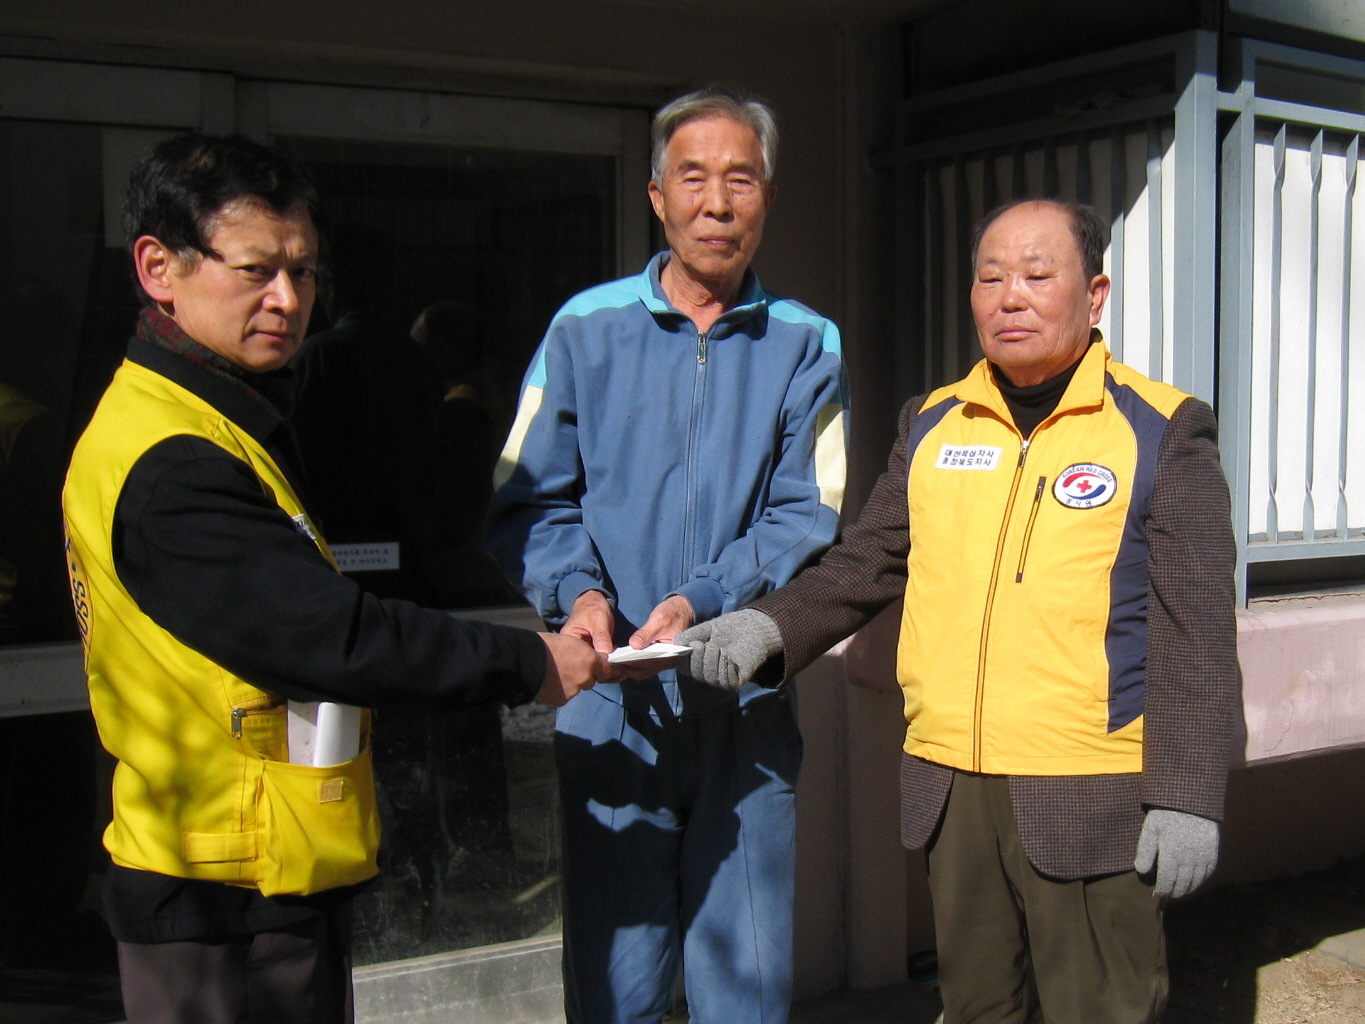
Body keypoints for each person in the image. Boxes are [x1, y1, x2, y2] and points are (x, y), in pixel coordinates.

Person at [61, 132, 606, 1024]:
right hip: (223, 895)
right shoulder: (172, 458)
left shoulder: (217, 419)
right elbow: (329, 635)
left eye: (304, 271)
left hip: (261, 866)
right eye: (255, 270)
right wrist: (527, 662)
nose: (287, 299)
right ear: (159, 266)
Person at [678, 199, 1241, 1024]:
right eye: (989, 277)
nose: (1009, 296)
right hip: (951, 787)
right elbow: (863, 563)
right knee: (976, 1009)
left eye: (1037, 275)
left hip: (1088, 789)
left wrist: (1187, 794)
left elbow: (1196, 631)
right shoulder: (933, 423)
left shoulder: (1161, 429)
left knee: (1101, 1012)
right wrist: (765, 627)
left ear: (1094, 296)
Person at [486, 87, 849, 1024]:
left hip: (744, 699)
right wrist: (579, 597)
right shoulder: (582, 328)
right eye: (692, 178)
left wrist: (701, 599)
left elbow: (807, 513)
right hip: (610, 700)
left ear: (768, 199)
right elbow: (526, 499)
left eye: (740, 180)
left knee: (746, 988)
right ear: (656, 197)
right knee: (616, 988)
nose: (716, 203)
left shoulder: (806, 342)